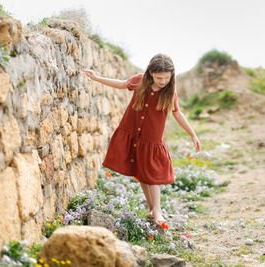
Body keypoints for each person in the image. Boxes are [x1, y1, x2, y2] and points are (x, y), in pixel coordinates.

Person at [82, 53, 200, 226]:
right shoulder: (140, 81)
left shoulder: (169, 92)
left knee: (152, 175)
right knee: (141, 174)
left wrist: (192, 134)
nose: (163, 81)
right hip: (132, 132)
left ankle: (158, 209)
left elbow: (177, 113)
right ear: (151, 72)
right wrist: (97, 78)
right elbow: (122, 84)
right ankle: (153, 209)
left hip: (151, 139)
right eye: (159, 77)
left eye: (167, 78)